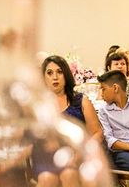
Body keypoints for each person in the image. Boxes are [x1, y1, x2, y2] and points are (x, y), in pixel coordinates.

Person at [33, 55, 103, 187]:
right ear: (43, 78)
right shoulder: (39, 105)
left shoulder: (81, 101)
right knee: (46, 178)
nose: (55, 77)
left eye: (59, 72)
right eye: (49, 73)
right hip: (48, 158)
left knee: (68, 174)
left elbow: (97, 133)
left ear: (66, 75)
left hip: (78, 156)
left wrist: (80, 153)